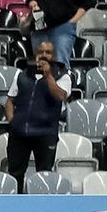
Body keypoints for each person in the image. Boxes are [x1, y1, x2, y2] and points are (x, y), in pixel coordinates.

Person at [8, 45, 68, 180]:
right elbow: (10, 100)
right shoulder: (21, 75)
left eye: (48, 52)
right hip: (19, 134)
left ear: (54, 56)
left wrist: (48, 76)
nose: (43, 55)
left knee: (44, 176)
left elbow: (60, 96)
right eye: (40, 52)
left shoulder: (62, 76)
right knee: (15, 174)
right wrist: (12, 121)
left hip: (45, 134)